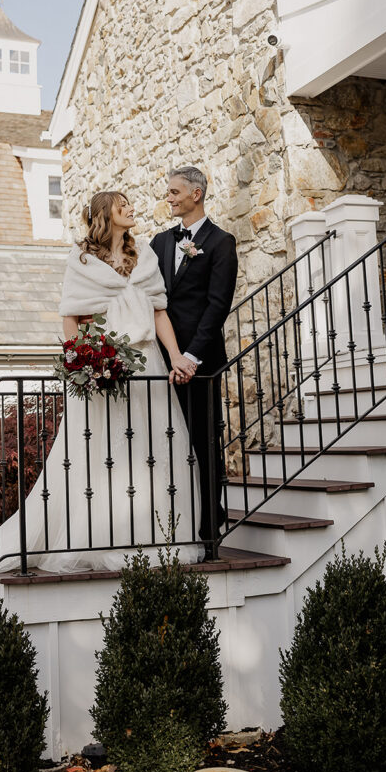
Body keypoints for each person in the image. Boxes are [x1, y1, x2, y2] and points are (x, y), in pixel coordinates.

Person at [0, 191, 203, 634]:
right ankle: (99, 535)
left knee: (155, 449)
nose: (131, 208)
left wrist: (175, 357)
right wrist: (84, 360)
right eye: (123, 204)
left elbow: (160, 314)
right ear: (104, 215)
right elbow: (69, 319)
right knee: (99, 456)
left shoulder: (146, 255)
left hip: (148, 366)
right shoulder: (81, 261)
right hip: (106, 368)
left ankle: (157, 532)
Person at [150, 166, 238, 560]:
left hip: (200, 365)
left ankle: (208, 529)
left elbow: (218, 306)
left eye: (174, 191)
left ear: (196, 194)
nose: (168, 197)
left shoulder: (221, 243)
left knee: (203, 444)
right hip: (160, 360)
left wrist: (190, 356)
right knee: (166, 442)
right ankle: (173, 524)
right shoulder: (158, 242)